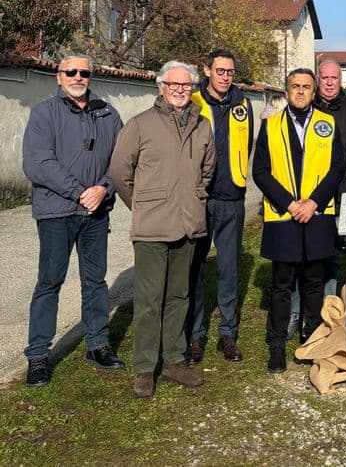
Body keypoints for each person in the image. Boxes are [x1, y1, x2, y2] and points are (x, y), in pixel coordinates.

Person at [109, 60, 216, 398]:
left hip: (188, 224)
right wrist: (143, 204)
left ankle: (174, 360)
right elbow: (118, 171)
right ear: (161, 86)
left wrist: (194, 197)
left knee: (179, 296)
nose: (181, 90)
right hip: (153, 227)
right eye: (174, 84)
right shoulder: (141, 125)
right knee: (149, 300)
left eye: (187, 85)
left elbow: (208, 170)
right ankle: (144, 368)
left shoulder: (201, 126)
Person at [21, 54, 125, 387]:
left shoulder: (108, 113)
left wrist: (103, 188)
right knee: (50, 281)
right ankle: (38, 355)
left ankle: (97, 344)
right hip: (56, 212)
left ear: (91, 77)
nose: (78, 77)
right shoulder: (44, 114)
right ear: (59, 76)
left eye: (84, 72)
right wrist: (81, 191)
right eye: (71, 72)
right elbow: (38, 163)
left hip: (95, 213)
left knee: (95, 281)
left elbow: (121, 161)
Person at [252, 68, 345, 374]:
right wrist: (290, 204)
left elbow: (336, 169)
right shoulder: (271, 125)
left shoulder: (327, 123)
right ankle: (276, 344)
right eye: (295, 86)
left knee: (314, 281)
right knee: (281, 284)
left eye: (306, 86)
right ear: (286, 90)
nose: (301, 91)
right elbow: (261, 172)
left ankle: (312, 337)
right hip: (284, 215)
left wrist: (314, 202)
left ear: (314, 90)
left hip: (317, 215)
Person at [283, 59, 346, 338]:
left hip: (345, 193)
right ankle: (299, 311)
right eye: (325, 77)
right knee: (302, 254)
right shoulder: (304, 107)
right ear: (318, 80)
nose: (330, 82)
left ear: (340, 80)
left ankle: (331, 312)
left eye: (334, 77)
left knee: (334, 255)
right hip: (307, 195)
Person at [185, 50, 254, 365]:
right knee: (195, 269)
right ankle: (195, 335)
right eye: (220, 70)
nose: (226, 76)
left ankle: (228, 333)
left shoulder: (243, 104)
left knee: (229, 270)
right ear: (207, 71)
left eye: (230, 71)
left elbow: (248, 143)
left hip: (232, 198)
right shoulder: (193, 103)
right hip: (199, 198)